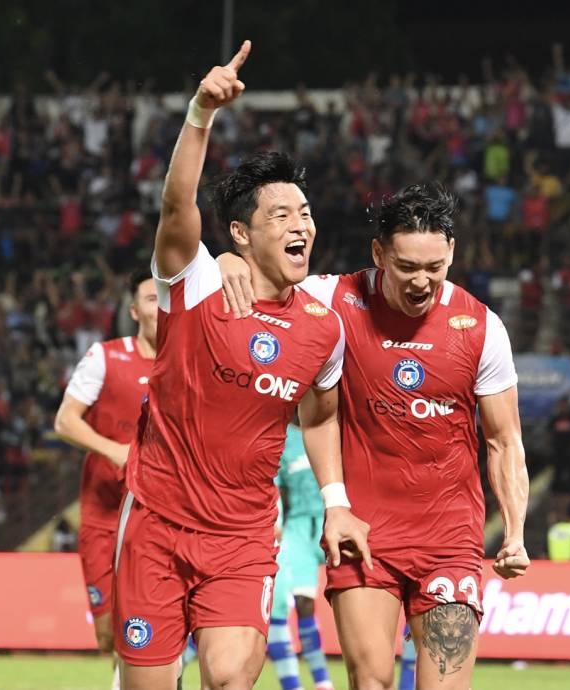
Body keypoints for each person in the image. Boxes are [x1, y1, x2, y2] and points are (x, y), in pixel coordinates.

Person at [112, 41, 371, 690]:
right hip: (158, 525)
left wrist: (336, 502)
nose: (300, 226)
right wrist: (200, 111)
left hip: (243, 537)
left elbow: (321, 416)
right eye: (280, 215)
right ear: (240, 234)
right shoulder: (194, 283)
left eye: (305, 215)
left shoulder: (322, 328)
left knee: (230, 678)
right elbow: (177, 211)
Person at [221, 182, 530, 690]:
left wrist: (514, 530)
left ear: (451, 252)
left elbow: (504, 440)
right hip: (364, 533)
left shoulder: (481, 327)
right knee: (372, 683)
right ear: (378, 253)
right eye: (406, 267)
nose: (421, 282)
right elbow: (262, 279)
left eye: (434, 268)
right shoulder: (331, 299)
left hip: (449, 537)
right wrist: (227, 261)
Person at [54, 272, 158, 689]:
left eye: (165, 298)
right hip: (103, 514)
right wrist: (115, 450)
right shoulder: (106, 357)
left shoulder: (189, 363)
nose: (159, 306)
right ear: (134, 312)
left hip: (155, 517)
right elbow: (64, 421)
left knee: (146, 625)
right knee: (106, 634)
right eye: (150, 299)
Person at [268, 421, 334, 690]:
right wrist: (277, 519)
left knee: (311, 605)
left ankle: (321, 679)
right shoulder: (284, 438)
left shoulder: (335, 428)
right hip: (295, 529)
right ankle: (296, 684)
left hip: (331, 520)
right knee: (285, 602)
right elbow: (272, 483)